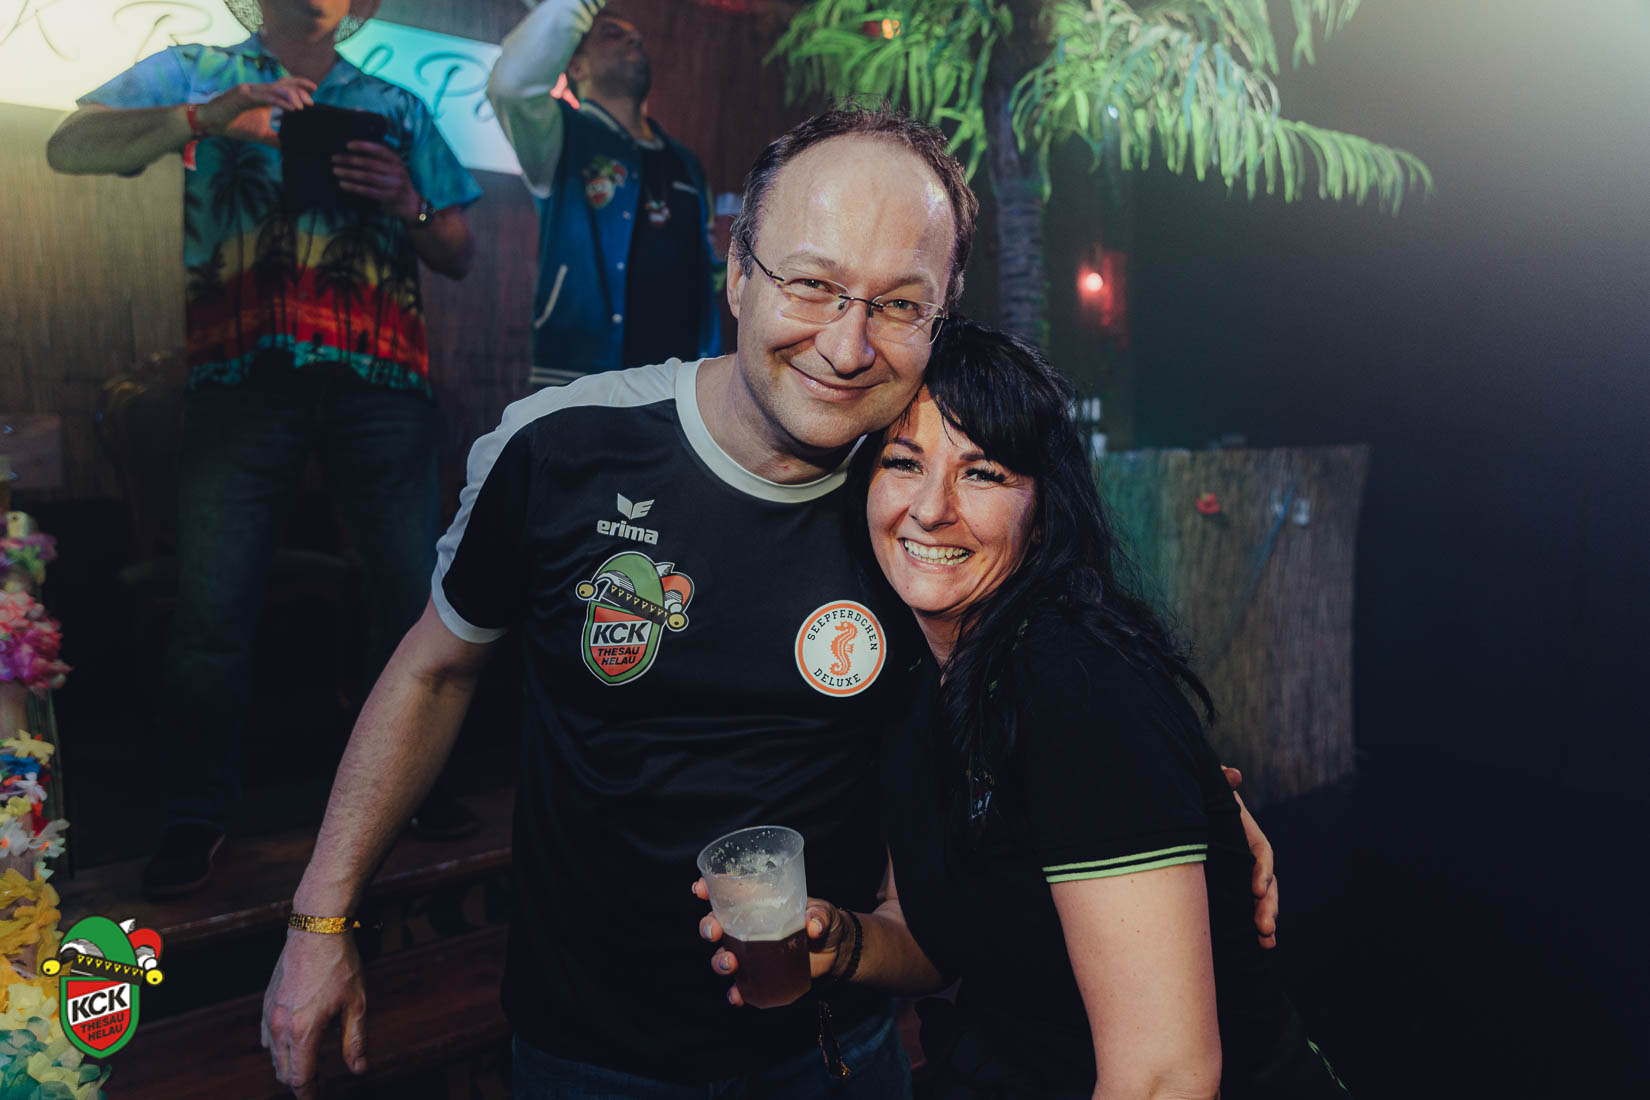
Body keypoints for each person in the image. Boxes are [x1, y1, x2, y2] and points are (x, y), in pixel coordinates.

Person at [261, 106, 1274, 1099]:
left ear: (940, 318)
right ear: (738, 273)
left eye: (898, 304)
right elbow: (434, 673)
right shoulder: (561, 447)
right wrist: (320, 918)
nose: (846, 345)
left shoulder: (912, 506)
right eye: (812, 284)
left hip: (837, 1049)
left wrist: (1187, 807)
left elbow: (1049, 689)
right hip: (585, 1053)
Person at [699, 321, 1344, 1099]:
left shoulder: (1075, 679)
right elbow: (934, 936)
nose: (931, 509)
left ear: (1042, 512)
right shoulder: (919, 678)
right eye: (904, 462)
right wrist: (842, 945)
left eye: (983, 473)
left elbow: (1164, 1079)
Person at [46, 0, 483, 899]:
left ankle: (413, 792)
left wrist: (408, 199)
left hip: (381, 379)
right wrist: (204, 118)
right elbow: (69, 145)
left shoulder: (395, 103)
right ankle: (194, 816)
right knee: (211, 612)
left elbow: (457, 251)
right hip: (240, 376)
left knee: (412, 601)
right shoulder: (198, 70)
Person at [487, 0, 723, 388]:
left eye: (638, 39)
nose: (634, 41)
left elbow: (707, 273)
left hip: (677, 388)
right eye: (613, 34)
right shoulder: (561, 134)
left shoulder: (686, 162)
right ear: (576, 66)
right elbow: (511, 87)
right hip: (581, 380)